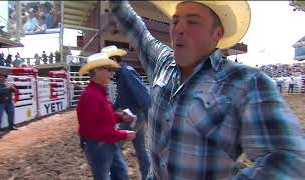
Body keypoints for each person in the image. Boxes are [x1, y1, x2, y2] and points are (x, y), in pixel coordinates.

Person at [110, 1, 305, 179]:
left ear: (217, 34)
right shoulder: (162, 62)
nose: (179, 29)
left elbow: (289, 157)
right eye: (175, 21)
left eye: (192, 22)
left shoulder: (245, 82)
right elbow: (136, 28)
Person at [77, 52, 136, 180]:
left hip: (105, 141)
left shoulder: (98, 92)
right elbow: (93, 130)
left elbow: (103, 118)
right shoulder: (92, 95)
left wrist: (121, 118)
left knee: (120, 173)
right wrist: (123, 134)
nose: (112, 73)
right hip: (98, 143)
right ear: (97, 70)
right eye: (109, 69)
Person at [101, 45, 150, 180]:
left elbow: (144, 96)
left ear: (115, 59)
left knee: (113, 147)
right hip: (136, 116)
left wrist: (147, 118)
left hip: (134, 116)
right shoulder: (123, 74)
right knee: (141, 150)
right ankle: (148, 176)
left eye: (108, 64)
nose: (108, 69)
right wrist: (110, 109)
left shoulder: (126, 73)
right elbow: (122, 98)